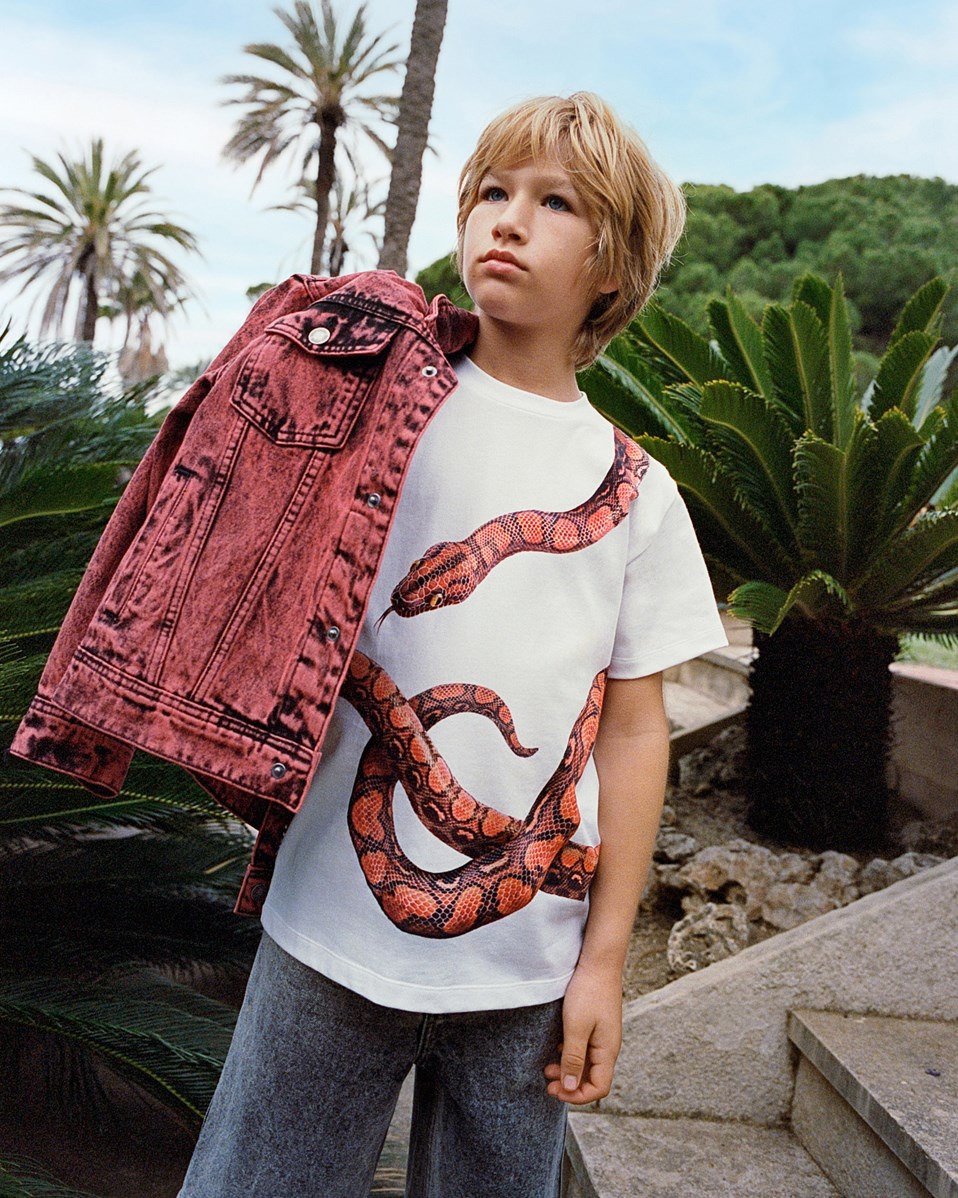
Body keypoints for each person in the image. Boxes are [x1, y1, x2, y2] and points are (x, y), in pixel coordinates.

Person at [12, 93, 727, 1197]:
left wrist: (601, 964)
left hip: (528, 969)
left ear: (613, 267)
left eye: (555, 203)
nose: (507, 218)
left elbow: (634, 731)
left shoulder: (636, 492)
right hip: (329, 933)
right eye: (492, 192)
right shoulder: (371, 408)